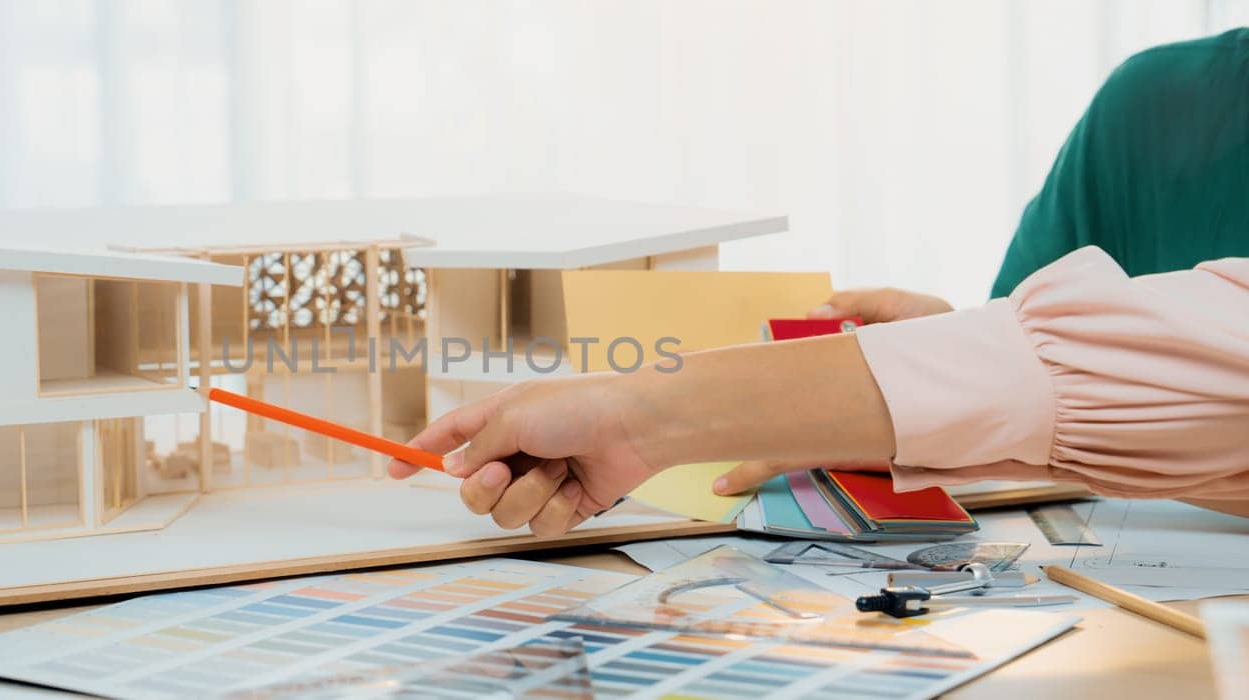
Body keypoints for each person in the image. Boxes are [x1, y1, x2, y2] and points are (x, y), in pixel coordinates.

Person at [387, 30, 1249, 534]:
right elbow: (1042, 373)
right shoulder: (1156, 103)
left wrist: (647, 413)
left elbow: (1161, 372)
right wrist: (934, 350)